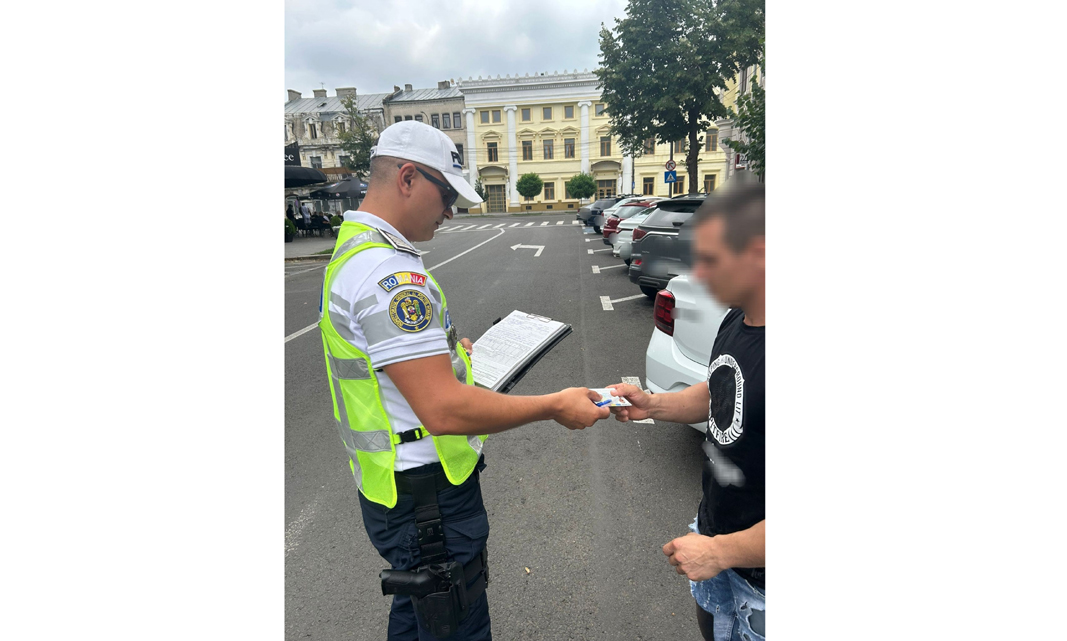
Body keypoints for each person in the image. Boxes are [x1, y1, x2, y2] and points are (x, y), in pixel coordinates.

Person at [318, 119, 609, 640]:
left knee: (420, 614)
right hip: (427, 502)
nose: (451, 211)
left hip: (400, 490)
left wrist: (449, 355)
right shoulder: (390, 276)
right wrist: (553, 405)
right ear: (408, 178)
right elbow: (443, 410)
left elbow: (385, 368)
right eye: (447, 195)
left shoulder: (356, 252)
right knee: (455, 624)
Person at [606, 183, 766, 641]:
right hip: (716, 537)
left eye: (710, 259)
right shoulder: (737, 317)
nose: (697, 272)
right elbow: (722, 391)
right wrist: (652, 405)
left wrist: (722, 552)